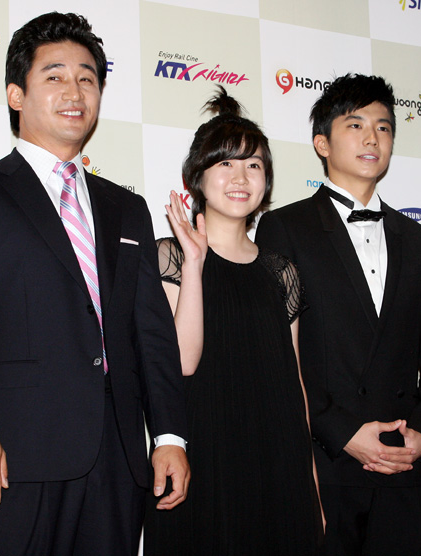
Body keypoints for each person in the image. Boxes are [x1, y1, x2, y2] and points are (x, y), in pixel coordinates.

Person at [0, 12, 189, 556]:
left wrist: (169, 436)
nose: (75, 91)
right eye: (55, 76)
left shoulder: (126, 207)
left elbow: (152, 334)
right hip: (18, 454)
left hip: (118, 458)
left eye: (87, 79)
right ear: (16, 94)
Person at [256, 73, 421, 556]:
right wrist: (341, 432)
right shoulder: (284, 227)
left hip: (403, 471)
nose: (372, 138)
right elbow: (275, 353)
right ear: (322, 143)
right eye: (356, 125)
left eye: (383, 128)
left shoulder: (419, 240)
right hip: (322, 467)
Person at [143, 86, 324, 555]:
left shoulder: (281, 271)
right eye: (225, 163)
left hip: (279, 464)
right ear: (196, 177)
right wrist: (195, 264)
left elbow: (295, 383)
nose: (241, 177)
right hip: (202, 460)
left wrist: (312, 483)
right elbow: (181, 361)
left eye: (254, 165)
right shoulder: (169, 258)